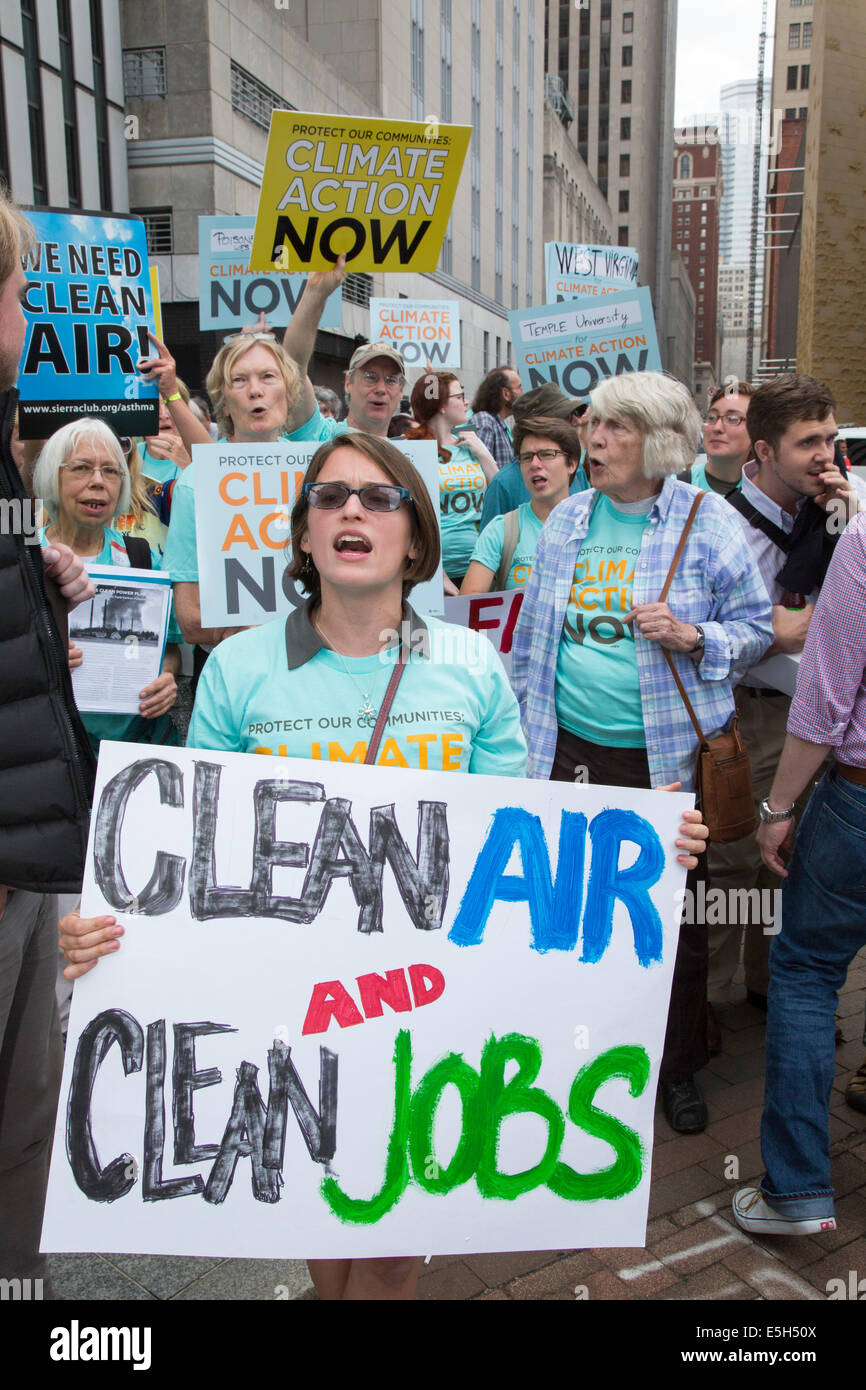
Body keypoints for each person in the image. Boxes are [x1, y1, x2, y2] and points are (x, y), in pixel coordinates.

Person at [59, 432, 529, 1301]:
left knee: (390, 1252)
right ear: (305, 535)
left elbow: (518, 847)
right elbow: (187, 863)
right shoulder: (238, 671)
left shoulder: (472, 667)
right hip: (288, 1012)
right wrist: (108, 935)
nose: (354, 509)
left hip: (426, 1003)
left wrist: (639, 862)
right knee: (319, 1216)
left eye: (380, 498)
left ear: (416, 539)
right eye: (331, 497)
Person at [512, 371, 773, 1134]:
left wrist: (694, 636)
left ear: (658, 441)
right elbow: (534, 640)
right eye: (593, 427)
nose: (594, 442)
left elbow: (757, 629)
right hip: (567, 750)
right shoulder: (567, 520)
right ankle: (579, 1055)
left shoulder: (706, 522)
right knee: (570, 912)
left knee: (670, 921)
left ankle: (678, 1064)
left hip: (660, 764)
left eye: (616, 430)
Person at [0, 189, 96, 1294]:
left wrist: (43, 593)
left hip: (26, 863)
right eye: (21, 292)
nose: (30, 315)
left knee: (22, 1130)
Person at [706, 374, 865, 1035]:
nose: (826, 455)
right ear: (763, 451)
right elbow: (690, 638)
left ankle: (775, 991)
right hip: (745, 713)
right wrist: (771, 631)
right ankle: (705, 1010)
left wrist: (850, 522)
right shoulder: (715, 526)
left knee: (788, 860)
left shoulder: (835, 517)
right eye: (809, 443)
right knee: (731, 865)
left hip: (820, 725)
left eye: (831, 438)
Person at [732, 511, 866, 1236]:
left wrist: (778, 805)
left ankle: (798, 1189)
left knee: (807, 972)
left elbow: (826, 691)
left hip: (859, 796)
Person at [33, 419, 181, 756]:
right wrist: (43, 656)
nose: (98, 482)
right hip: (51, 751)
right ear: (53, 479)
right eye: (82, 468)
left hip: (131, 749)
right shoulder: (27, 559)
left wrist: (167, 678)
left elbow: (168, 647)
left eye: (111, 471)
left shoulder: (141, 557)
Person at [163, 332, 310, 654]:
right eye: (239, 381)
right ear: (224, 403)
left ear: (289, 392)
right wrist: (264, 632)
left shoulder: (320, 475)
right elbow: (188, 620)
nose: (255, 390)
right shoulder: (196, 484)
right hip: (236, 667)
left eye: (268, 377)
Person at [460, 414, 582, 594]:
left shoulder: (595, 525)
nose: (534, 464)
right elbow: (468, 607)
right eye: (526, 457)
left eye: (546, 454)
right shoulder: (501, 530)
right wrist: (517, 600)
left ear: (572, 464)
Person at [407, 371, 497, 592]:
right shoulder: (413, 450)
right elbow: (410, 516)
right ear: (441, 406)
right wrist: (439, 575)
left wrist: (483, 454)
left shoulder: (471, 445)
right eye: (459, 396)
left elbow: (499, 493)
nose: (466, 401)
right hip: (431, 573)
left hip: (481, 566)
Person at [479, 384, 588, 527]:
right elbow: (490, 542)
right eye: (566, 419)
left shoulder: (576, 469)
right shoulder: (503, 484)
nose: (574, 422)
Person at [681, 380, 755, 495]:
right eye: (711, 417)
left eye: (732, 419)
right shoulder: (673, 486)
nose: (717, 427)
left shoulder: (768, 495)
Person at [470, 366, 524, 471]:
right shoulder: (484, 421)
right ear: (506, 394)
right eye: (519, 388)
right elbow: (480, 470)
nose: (523, 393)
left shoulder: (499, 424)